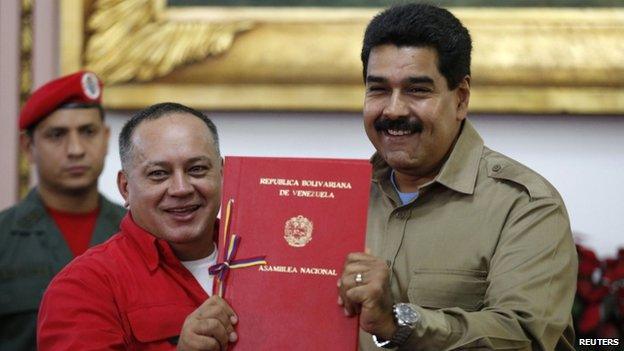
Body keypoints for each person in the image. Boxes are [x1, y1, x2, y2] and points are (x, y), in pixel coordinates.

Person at [337, 4, 577, 351]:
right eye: (378, 89)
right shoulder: (335, 197)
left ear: (461, 98)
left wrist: (399, 322)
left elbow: (526, 337)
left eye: (416, 90)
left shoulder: (524, 205)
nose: (393, 109)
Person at [37, 102, 237, 351]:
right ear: (125, 187)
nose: (181, 188)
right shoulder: (83, 287)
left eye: (196, 169)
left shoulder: (270, 260)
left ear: (221, 173)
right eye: (158, 174)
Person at [0, 71, 126, 351]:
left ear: (106, 139)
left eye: (88, 132)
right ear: (28, 147)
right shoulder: (3, 240)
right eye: (57, 135)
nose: (76, 149)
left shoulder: (139, 234)